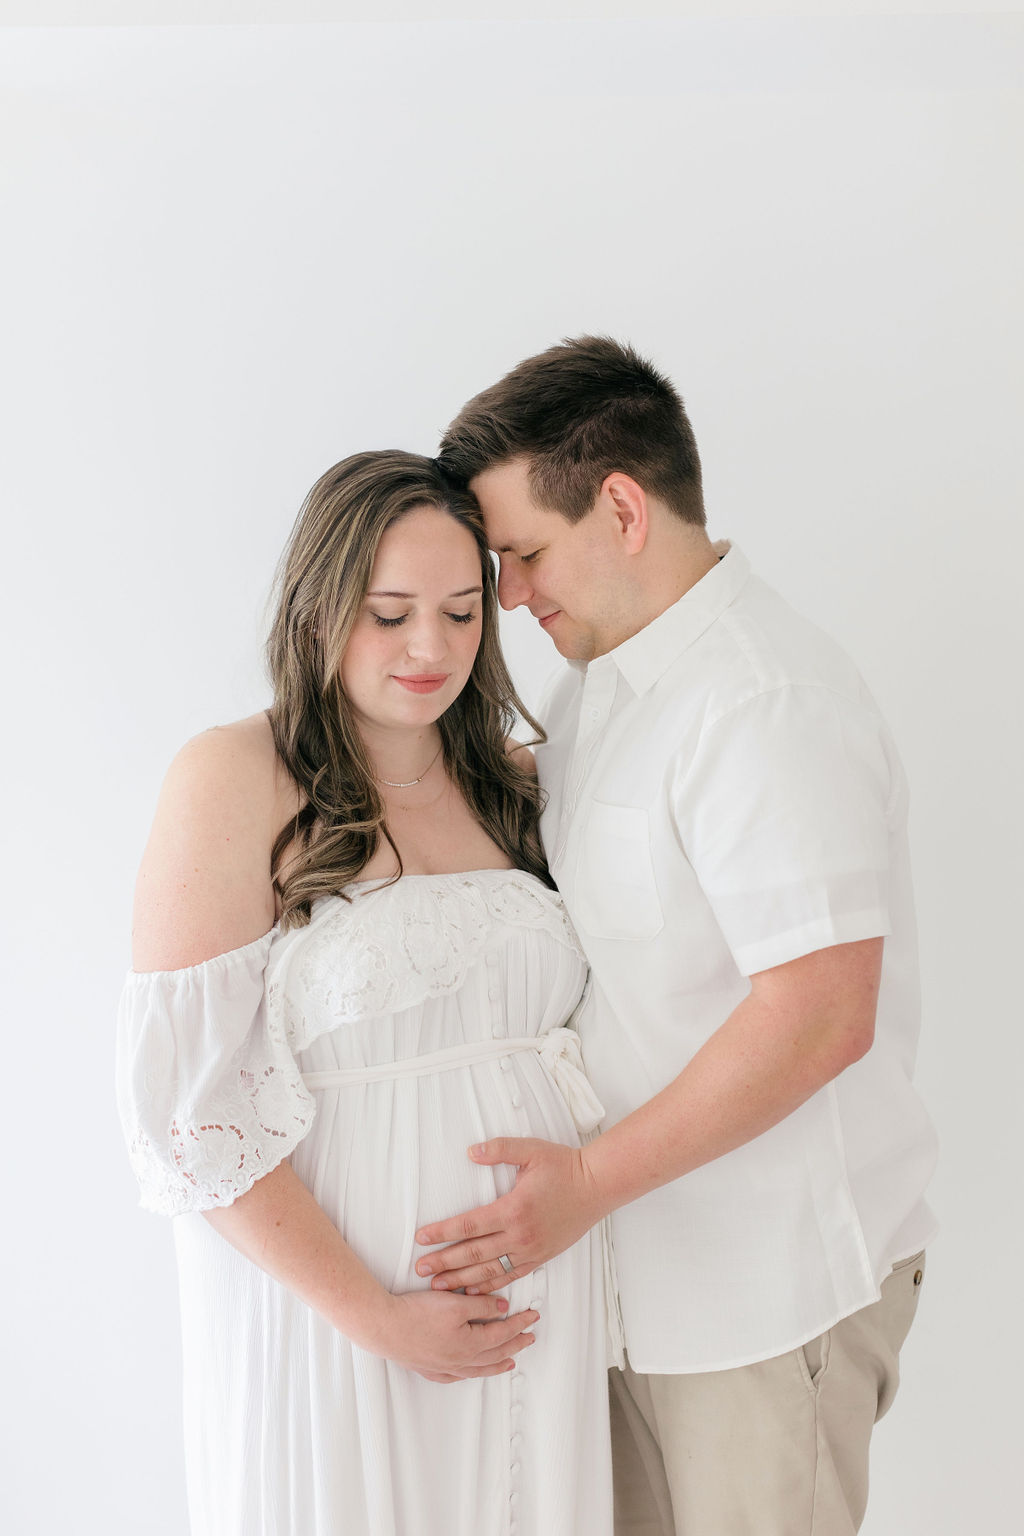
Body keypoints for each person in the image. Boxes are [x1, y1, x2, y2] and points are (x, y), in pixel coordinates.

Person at [421, 337, 939, 1535]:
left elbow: (817, 1016)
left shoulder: (763, 703)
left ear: (620, 506)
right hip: (643, 1287)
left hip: (766, 1298)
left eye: (522, 554)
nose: (508, 595)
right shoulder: (608, 678)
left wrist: (587, 1184)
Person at [116, 450, 618, 1536]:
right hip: (336, 1313)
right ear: (318, 610)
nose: (430, 648)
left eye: (457, 611)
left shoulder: (515, 783)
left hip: (535, 1297)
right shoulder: (234, 774)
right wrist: (378, 1317)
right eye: (389, 615)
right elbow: (188, 1117)